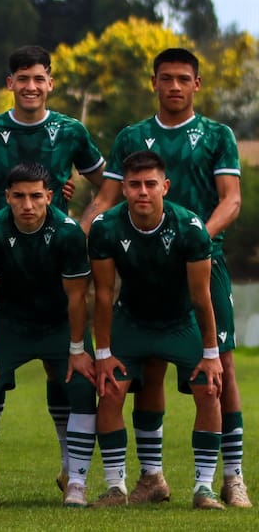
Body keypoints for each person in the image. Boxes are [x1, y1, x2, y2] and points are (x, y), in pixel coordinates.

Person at [79, 48, 250, 508]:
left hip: (203, 263)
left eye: (183, 79)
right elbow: (106, 199)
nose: (174, 86)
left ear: (197, 84)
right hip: (142, 265)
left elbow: (231, 200)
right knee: (148, 366)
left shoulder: (217, 135)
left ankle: (232, 477)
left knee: (220, 366)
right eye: (166, 78)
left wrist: (191, 242)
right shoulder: (132, 136)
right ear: (153, 82)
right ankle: (151, 478)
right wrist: (76, 237)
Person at [0, 44, 105, 492]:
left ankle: (71, 472)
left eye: (39, 78)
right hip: (5, 272)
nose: (31, 86)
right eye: (23, 78)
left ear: (50, 83)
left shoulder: (70, 130)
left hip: (58, 271)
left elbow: (110, 185)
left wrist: (82, 225)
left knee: (68, 377)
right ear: (10, 83)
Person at [88, 150, 224, 510]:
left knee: (208, 390)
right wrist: (103, 354)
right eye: (134, 185)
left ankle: (204, 488)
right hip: (132, 320)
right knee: (110, 390)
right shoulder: (105, 227)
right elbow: (103, 294)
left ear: (165, 186)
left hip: (180, 322)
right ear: (124, 189)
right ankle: (116, 487)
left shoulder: (190, 228)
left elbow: (201, 297)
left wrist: (211, 354)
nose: (143, 192)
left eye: (150, 184)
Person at [0, 161, 97, 507]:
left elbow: (77, 297)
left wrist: (78, 350)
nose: (27, 204)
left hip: (58, 324)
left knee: (83, 385)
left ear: (49, 197)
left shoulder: (68, 232)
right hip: (10, 323)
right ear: (6, 196)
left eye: (36, 196)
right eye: (19, 196)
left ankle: (76, 481)